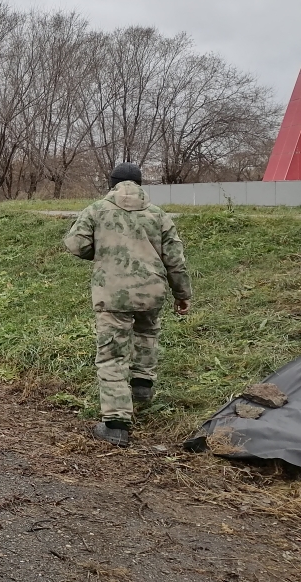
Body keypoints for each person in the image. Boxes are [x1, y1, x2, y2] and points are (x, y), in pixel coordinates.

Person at [63, 163, 192, 447]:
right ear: (140, 184)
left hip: (113, 294)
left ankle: (117, 424)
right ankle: (142, 389)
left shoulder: (97, 210)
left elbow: (75, 245)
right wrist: (182, 294)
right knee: (147, 335)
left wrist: (103, 251)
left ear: (112, 183)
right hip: (152, 292)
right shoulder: (158, 214)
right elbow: (175, 260)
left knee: (112, 356)